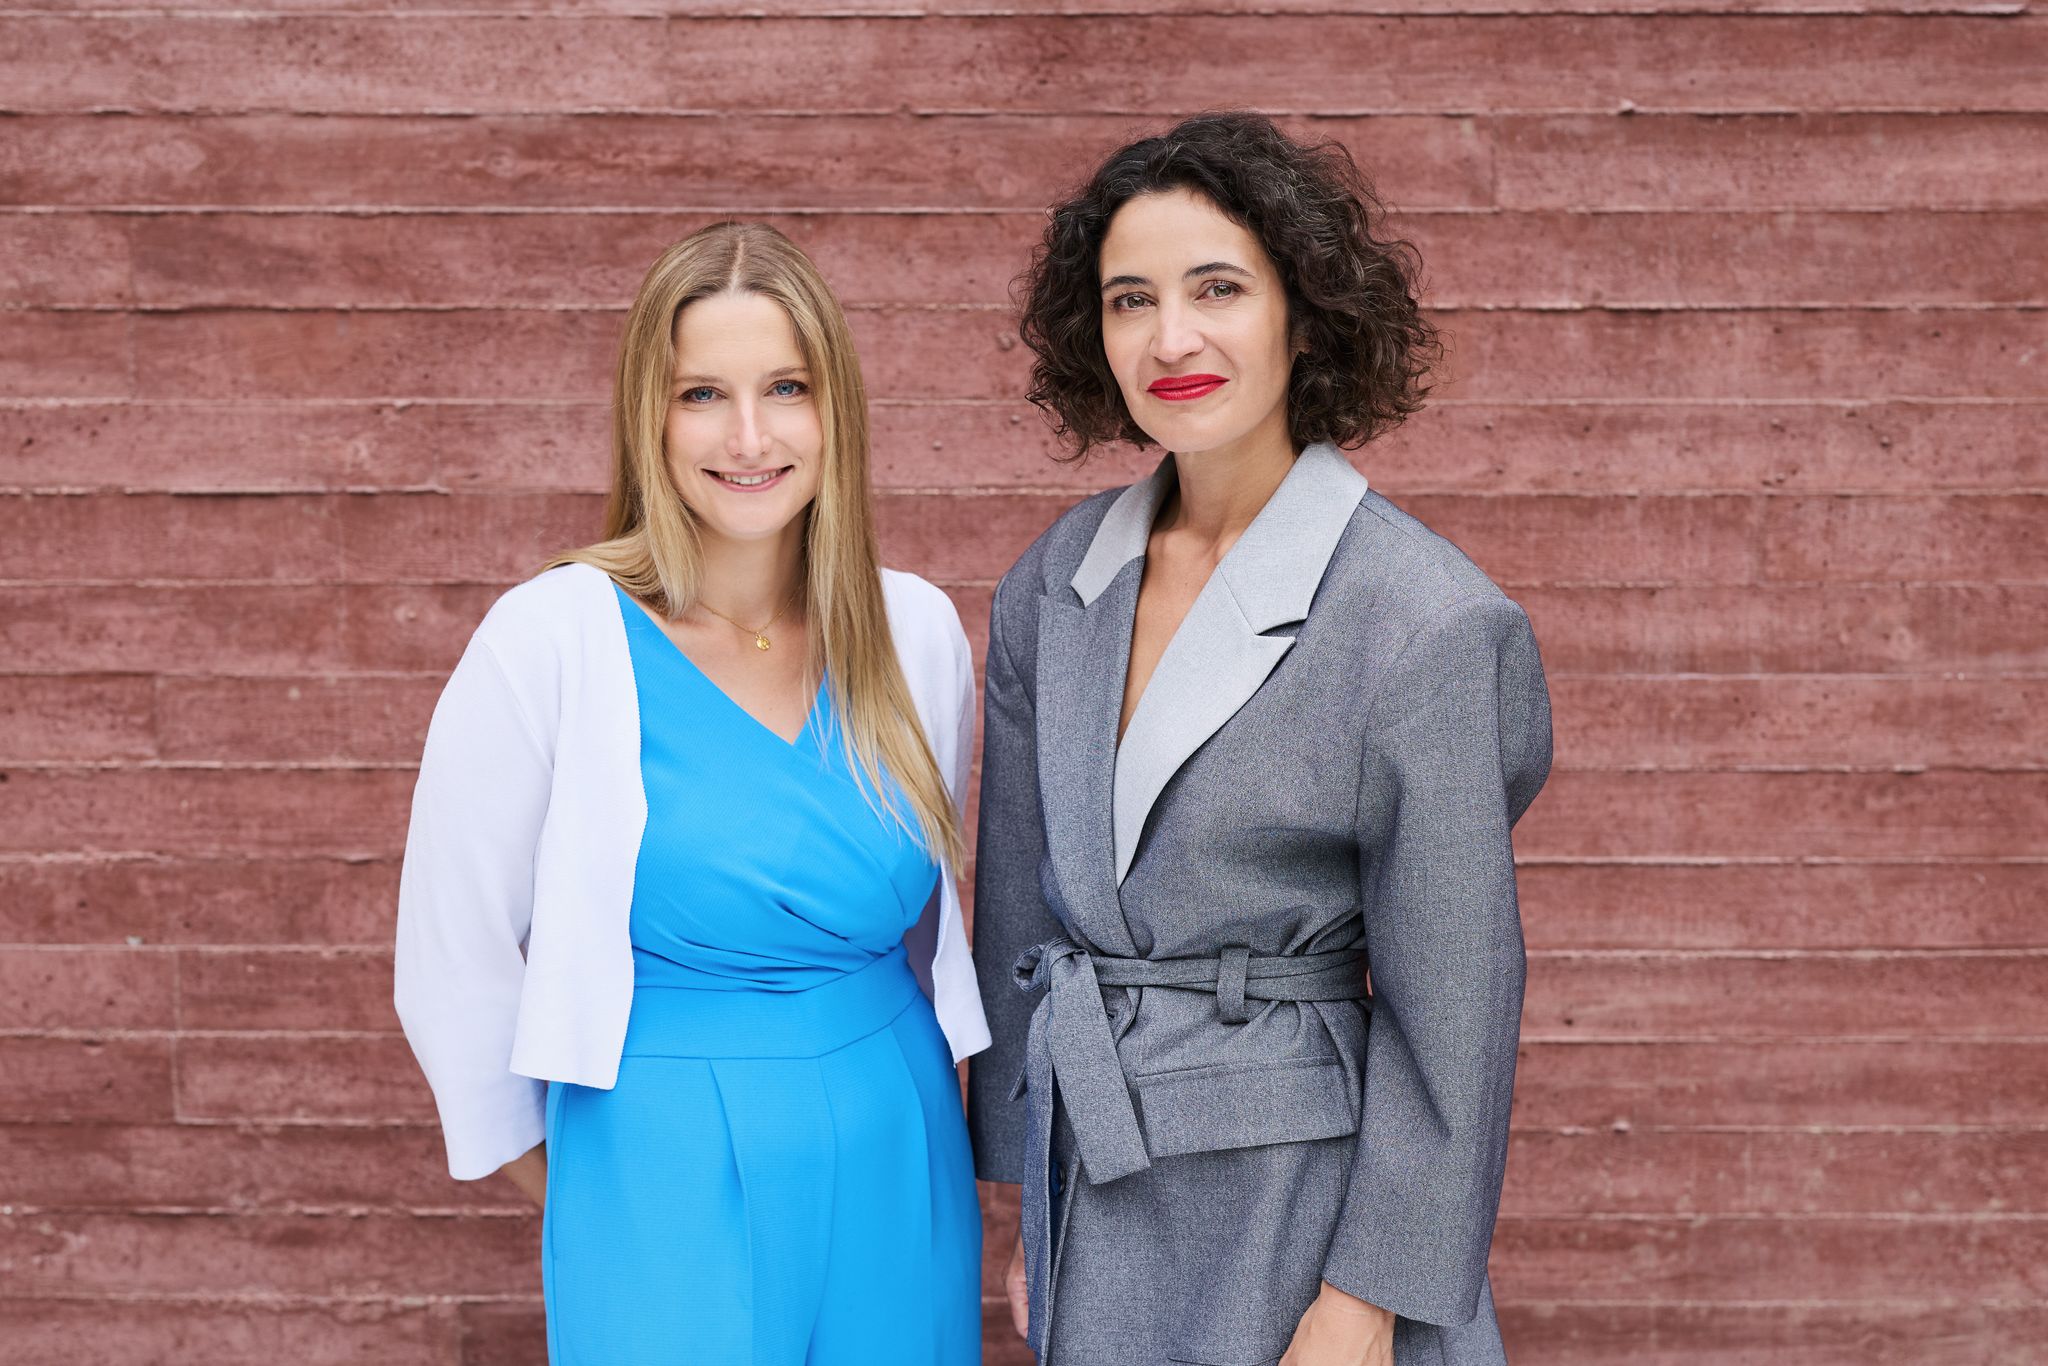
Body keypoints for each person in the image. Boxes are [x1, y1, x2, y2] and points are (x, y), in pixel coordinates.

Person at [966, 112, 1554, 1366]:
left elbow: (1456, 1004)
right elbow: (1020, 907)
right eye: (1130, 299)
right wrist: (1028, 1195)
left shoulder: (1421, 618)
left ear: (1302, 310)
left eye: (1216, 288)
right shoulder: (1052, 581)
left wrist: (1363, 1300)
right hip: (1100, 1179)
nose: (1169, 337)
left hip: (1302, 1215)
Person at [393, 221, 989, 1364]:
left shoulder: (912, 628)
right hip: (652, 1152)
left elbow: (929, 931)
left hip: (898, 1139)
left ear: (836, 414)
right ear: (648, 417)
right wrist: (596, 1189)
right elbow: (451, 954)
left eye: (785, 388)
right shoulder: (550, 636)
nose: (750, 435)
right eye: (703, 393)